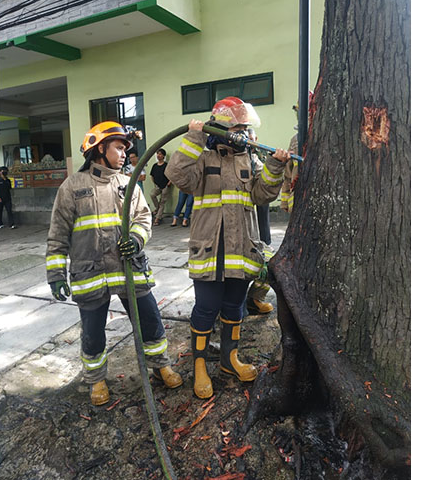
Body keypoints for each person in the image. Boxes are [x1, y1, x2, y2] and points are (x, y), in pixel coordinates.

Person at [46, 121, 182, 406]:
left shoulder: (127, 183)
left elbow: (144, 217)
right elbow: (57, 234)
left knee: (150, 319)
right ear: (99, 149)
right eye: (119, 148)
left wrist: (135, 239)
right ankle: (96, 380)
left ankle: (161, 365)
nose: (124, 154)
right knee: (93, 331)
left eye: (124, 149)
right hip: (91, 273)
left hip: (129, 268)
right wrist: (56, 274)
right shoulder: (72, 187)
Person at [165, 97, 290, 399]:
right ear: (222, 129)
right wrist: (194, 136)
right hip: (210, 251)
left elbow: (262, 194)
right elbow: (177, 175)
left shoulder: (250, 160)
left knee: (234, 308)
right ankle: (199, 367)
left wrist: (274, 165)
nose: (245, 134)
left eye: (247, 128)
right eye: (239, 128)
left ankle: (228, 360)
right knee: (206, 310)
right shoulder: (203, 159)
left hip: (241, 249)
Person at [149, 148, 172, 225]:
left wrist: (169, 182)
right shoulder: (155, 166)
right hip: (158, 186)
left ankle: (157, 218)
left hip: (165, 186)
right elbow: (151, 175)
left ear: (163, 156)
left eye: (160, 154)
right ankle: (157, 209)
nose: (158, 155)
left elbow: (172, 175)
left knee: (162, 202)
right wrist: (154, 183)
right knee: (152, 194)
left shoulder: (166, 165)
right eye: (157, 154)